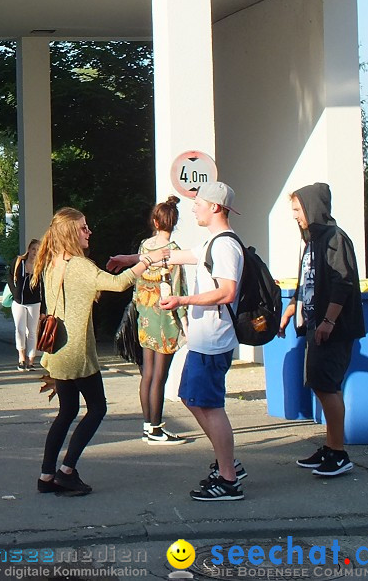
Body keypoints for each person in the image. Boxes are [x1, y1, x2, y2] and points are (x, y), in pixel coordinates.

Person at [36, 209, 149, 497]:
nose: (89, 232)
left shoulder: (52, 263)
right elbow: (118, 284)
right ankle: (67, 472)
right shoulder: (80, 267)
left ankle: (46, 475)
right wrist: (144, 263)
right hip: (76, 354)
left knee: (68, 411)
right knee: (97, 408)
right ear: (71, 233)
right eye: (84, 228)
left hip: (57, 351)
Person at [153, 182, 246, 501]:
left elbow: (227, 291)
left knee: (210, 405)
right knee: (191, 398)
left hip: (215, 340)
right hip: (203, 340)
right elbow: (181, 255)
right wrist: (135, 259)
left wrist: (182, 300)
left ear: (215, 208)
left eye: (199, 203)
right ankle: (226, 462)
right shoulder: (212, 242)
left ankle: (229, 478)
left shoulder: (224, 246)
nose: (193, 208)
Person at [279, 183, 365, 477]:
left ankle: (339, 453)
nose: (294, 216)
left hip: (334, 328)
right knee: (318, 383)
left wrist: (328, 322)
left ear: (313, 207)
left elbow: (343, 283)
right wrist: (292, 308)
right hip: (316, 325)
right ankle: (330, 447)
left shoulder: (335, 239)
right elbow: (307, 281)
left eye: (297, 209)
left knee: (327, 385)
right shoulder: (312, 240)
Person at [134, 197, 188, 444]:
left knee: (148, 373)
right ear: (173, 223)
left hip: (146, 314)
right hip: (166, 316)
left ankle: (148, 425)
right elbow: (179, 287)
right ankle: (156, 428)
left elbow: (137, 281)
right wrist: (185, 322)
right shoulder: (174, 251)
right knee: (160, 375)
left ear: (155, 221)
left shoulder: (144, 247)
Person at [8, 238, 43, 371]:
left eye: (38, 250)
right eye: (33, 249)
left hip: (34, 303)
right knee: (20, 329)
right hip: (19, 302)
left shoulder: (40, 265)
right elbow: (10, 277)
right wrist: (14, 292)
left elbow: (43, 288)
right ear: (29, 249)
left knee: (32, 332)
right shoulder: (19, 262)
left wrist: (44, 308)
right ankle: (21, 358)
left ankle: (31, 360)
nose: (35, 252)